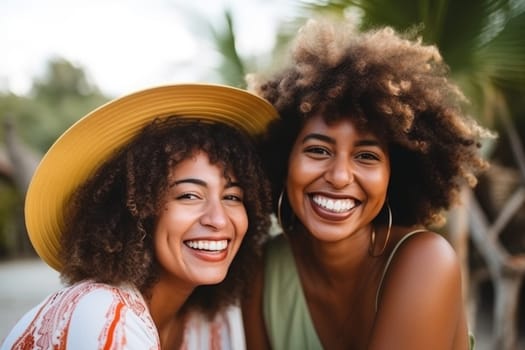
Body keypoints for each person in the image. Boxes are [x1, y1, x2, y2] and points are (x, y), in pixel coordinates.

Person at [242, 19, 494, 350]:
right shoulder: (262, 269)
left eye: (366, 156)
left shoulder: (426, 261)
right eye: (318, 150)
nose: (340, 176)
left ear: (396, 172)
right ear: (283, 159)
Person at [1, 83, 277, 349]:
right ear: (136, 210)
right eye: (189, 196)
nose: (218, 220)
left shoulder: (212, 321)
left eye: (232, 197)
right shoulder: (101, 314)